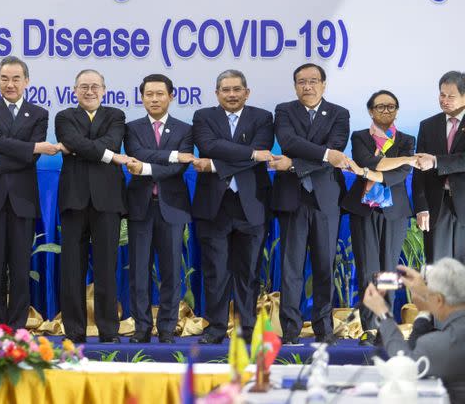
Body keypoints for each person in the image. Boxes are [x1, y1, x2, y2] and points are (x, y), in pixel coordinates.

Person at [183, 69, 274, 344]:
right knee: (215, 272)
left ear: (247, 92)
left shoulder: (262, 117)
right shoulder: (203, 116)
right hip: (214, 206)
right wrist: (250, 154)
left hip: (252, 205)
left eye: (237, 89)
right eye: (226, 90)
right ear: (217, 93)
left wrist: (212, 164)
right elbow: (210, 145)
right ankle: (216, 329)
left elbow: (261, 152)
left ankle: (247, 329)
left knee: (249, 273)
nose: (231, 94)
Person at [0, 57, 55, 329]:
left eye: (16, 78)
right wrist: (31, 147)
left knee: (19, 266)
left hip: (23, 197)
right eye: (5, 78)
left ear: (26, 81)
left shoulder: (39, 113)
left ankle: (16, 326)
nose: (10, 84)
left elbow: (30, 159)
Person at [269, 63, 350, 345]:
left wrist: (295, 164)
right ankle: (290, 330)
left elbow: (337, 147)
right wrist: (326, 154)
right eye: (302, 81)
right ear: (295, 86)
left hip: (326, 200)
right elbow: (288, 142)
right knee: (291, 268)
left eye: (313, 81)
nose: (308, 86)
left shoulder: (339, 114)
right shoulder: (284, 110)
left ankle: (324, 328)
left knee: (325, 266)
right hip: (292, 199)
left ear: (324, 84)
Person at [56, 69, 127, 343]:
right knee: (72, 268)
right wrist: (109, 156)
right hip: (74, 200)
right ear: (75, 91)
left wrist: (79, 149)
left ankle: (109, 329)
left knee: (107, 267)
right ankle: (74, 331)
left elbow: (111, 141)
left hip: (107, 200)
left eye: (95, 86)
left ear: (104, 90)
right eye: (84, 86)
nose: (89, 91)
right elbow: (73, 140)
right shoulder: (64, 117)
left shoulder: (115, 115)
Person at [342, 90, 416, 342]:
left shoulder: (407, 139)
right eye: (380, 106)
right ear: (370, 111)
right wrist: (377, 167)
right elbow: (367, 160)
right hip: (364, 210)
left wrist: (370, 173)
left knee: (388, 271)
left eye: (391, 106)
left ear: (396, 110)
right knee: (368, 270)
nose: (386, 110)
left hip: (394, 212)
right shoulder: (360, 136)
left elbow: (401, 173)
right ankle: (370, 327)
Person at [124, 74, 192, 344]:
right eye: (149, 94)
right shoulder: (131, 128)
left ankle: (166, 327)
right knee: (139, 271)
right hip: (140, 207)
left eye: (159, 94)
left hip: (172, 207)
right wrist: (172, 155)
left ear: (171, 96)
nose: (154, 99)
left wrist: (148, 167)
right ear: (142, 98)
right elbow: (136, 154)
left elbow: (178, 169)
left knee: (171, 271)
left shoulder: (185, 130)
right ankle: (141, 327)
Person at [362, 259, 465, 403]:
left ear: (439, 300)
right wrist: (427, 294)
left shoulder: (441, 344)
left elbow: (404, 362)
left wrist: (383, 313)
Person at [414, 71, 465, 263]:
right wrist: (421, 208)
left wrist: (436, 161)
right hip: (437, 207)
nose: (444, 100)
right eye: (441, 94)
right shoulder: (428, 125)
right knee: (437, 271)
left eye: (451, 96)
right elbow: (419, 171)